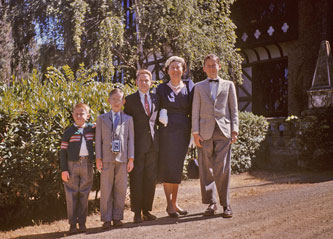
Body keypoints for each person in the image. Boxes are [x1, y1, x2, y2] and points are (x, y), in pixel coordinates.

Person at [192, 54, 239, 218]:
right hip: (204, 132)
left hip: (223, 130)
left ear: (219, 66)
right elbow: (195, 110)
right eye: (208, 65)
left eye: (214, 65)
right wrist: (195, 133)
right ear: (204, 68)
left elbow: (233, 109)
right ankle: (211, 203)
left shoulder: (229, 85)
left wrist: (235, 130)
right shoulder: (198, 87)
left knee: (223, 167)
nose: (211, 68)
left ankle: (226, 204)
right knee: (206, 168)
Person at [157, 56, 194, 217]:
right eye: (172, 67)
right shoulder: (161, 88)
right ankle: (168, 204)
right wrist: (161, 115)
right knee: (168, 166)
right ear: (167, 70)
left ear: (183, 70)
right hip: (166, 132)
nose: (175, 70)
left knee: (178, 167)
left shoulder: (190, 86)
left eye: (178, 67)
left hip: (183, 131)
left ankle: (175, 202)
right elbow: (154, 109)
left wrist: (194, 132)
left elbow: (194, 109)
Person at [124, 69, 160, 223]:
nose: (144, 83)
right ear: (136, 82)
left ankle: (147, 210)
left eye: (147, 80)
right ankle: (137, 213)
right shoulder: (130, 100)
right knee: (136, 179)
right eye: (141, 80)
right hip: (136, 145)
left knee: (150, 179)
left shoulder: (156, 98)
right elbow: (124, 121)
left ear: (151, 82)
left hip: (153, 145)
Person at [95, 88, 134, 229]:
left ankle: (117, 217)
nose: (117, 102)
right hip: (106, 159)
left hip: (123, 159)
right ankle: (106, 218)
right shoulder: (101, 119)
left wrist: (131, 159)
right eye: (114, 99)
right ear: (109, 101)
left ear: (124, 101)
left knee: (120, 189)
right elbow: (98, 140)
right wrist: (98, 158)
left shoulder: (129, 119)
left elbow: (130, 140)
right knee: (106, 189)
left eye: (120, 99)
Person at [59, 103, 95, 235]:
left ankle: (82, 223)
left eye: (82, 113)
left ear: (88, 116)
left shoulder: (91, 129)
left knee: (85, 193)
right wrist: (64, 169)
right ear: (73, 115)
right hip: (71, 165)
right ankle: (72, 224)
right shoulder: (68, 131)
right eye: (76, 114)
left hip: (87, 164)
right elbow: (63, 151)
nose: (79, 116)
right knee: (71, 194)